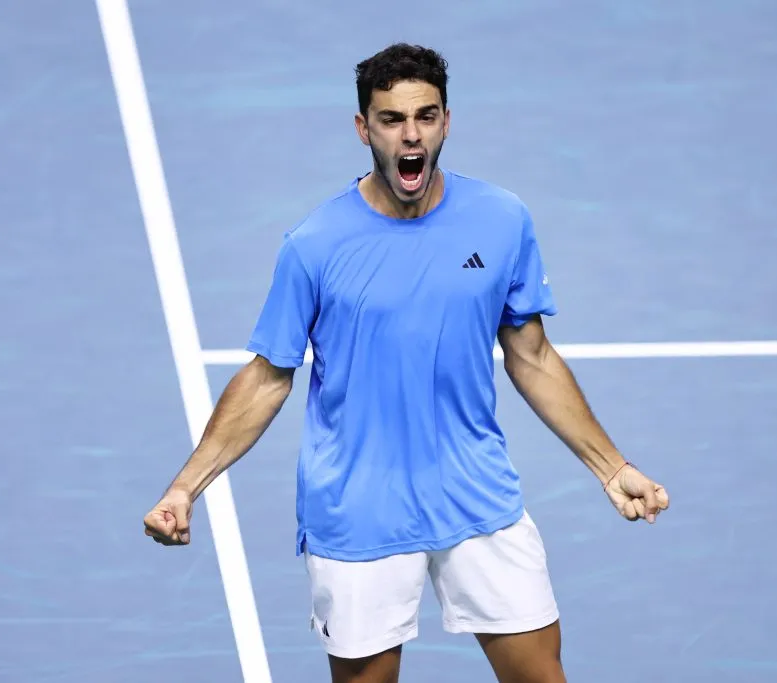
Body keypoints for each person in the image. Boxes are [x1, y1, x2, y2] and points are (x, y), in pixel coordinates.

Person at [143, 43, 670, 683]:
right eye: (392, 120)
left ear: (447, 121)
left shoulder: (502, 220)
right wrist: (185, 488)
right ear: (364, 129)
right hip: (359, 506)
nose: (410, 135)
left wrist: (610, 467)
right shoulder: (314, 246)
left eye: (425, 116)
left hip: (475, 490)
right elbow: (266, 379)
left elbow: (529, 354)